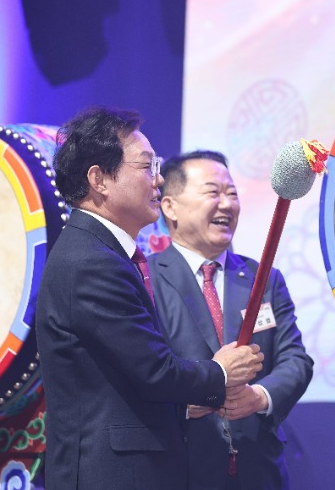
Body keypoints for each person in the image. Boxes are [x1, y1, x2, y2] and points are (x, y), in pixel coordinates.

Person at [36, 107, 264, 490]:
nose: (158, 179)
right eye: (147, 166)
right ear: (99, 179)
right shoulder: (92, 261)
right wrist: (221, 371)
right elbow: (154, 372)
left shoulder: (97, 252)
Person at [148, 150, 314, 490]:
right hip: (179, 467)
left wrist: (260, 396)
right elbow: (140, 370)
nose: (227, 204)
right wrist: (182, 402)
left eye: (232, 194)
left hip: (258, 470)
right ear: (170, 207)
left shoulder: (263, 278)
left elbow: (296, 360)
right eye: (213, 192)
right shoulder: (145, 279)